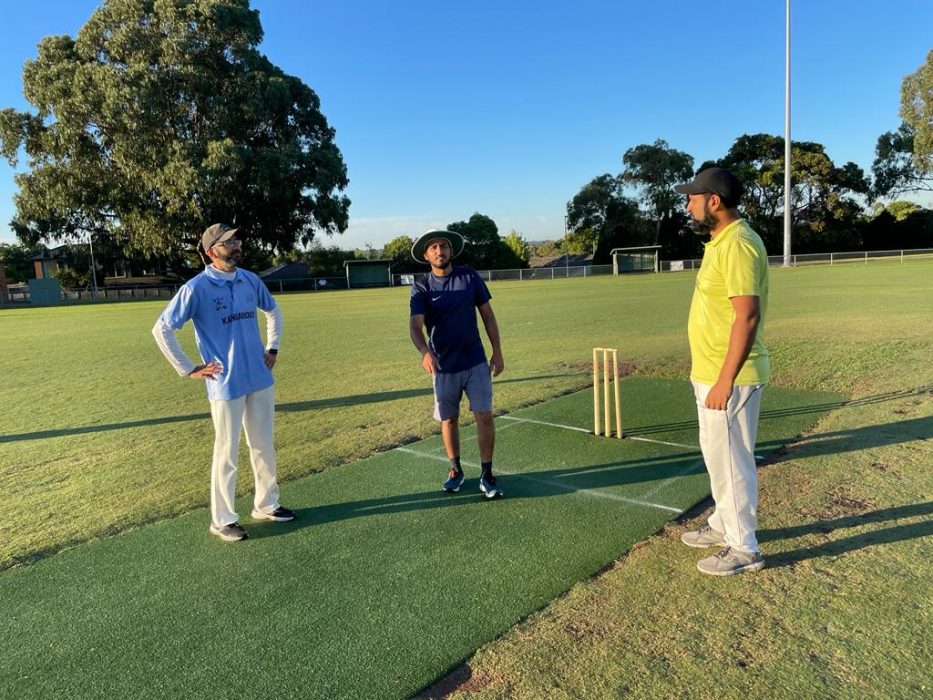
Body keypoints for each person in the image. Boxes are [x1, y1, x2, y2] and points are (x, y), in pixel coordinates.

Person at [152, 223, 295, 542]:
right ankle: (222, 520)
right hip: (224, 382)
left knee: (263, 445)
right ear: (210, 251)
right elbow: (162, 329)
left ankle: (267, 504)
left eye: (237, 240)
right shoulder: (196, 288)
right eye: (228, 242)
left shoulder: (250, 280)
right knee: (226, 452)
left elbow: (273, 311)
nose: (236, 246)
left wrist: (273, 347)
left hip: (259, 377)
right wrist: (188, 368)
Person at [674, 168, 770, 576]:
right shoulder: (720, 242)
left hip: (729, 377)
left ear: (713, 201)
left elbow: (746, 317)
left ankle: (744, 548)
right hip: (711, 372)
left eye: (692, 198)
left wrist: (725, 381)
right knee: (718, 458)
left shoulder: (739, 244)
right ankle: (722, 525)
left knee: (732, 461)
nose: (687, 206)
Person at [408, 228, 505, 498]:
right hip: (444, 366)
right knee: (449, 420)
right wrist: (425, 352)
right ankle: (455, 470)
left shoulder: (469, 276)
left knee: (484, 415)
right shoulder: (421, 287)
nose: (440, 251)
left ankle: (487, 475)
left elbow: (488, 315)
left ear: (451, 250)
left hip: (474, 360)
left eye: (444, 246)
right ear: (427, 256)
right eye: (434, 248)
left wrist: (497, 351)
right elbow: (415, 327)